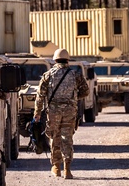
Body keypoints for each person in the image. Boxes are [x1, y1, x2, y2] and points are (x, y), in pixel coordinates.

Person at [33, 48, 90, 178]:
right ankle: (67, 169)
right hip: (70, 111)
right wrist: (73, 98)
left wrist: (37, 112)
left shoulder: (48, 75)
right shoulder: (75, 75)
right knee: (67, 138)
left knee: (55, 137)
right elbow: (85, 91)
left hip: (53, 111)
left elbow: (40, 95)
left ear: (55, 60)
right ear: (67, 60)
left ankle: (56, 167)